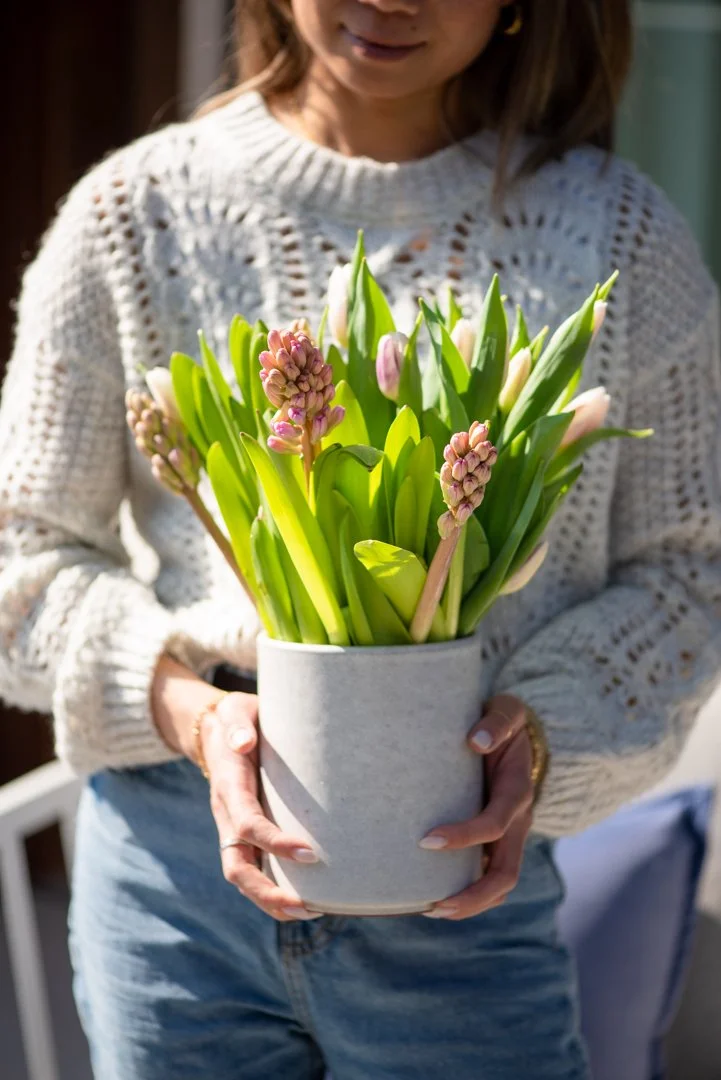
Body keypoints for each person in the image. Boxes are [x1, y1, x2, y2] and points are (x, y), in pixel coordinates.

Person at [1, 0, 719, 1076]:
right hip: (174, 876)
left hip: (461, 869)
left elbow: (690, 571)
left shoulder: (618, 237)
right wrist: (196, 720)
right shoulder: (132, 213)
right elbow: (21, 559)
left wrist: (540, 733)